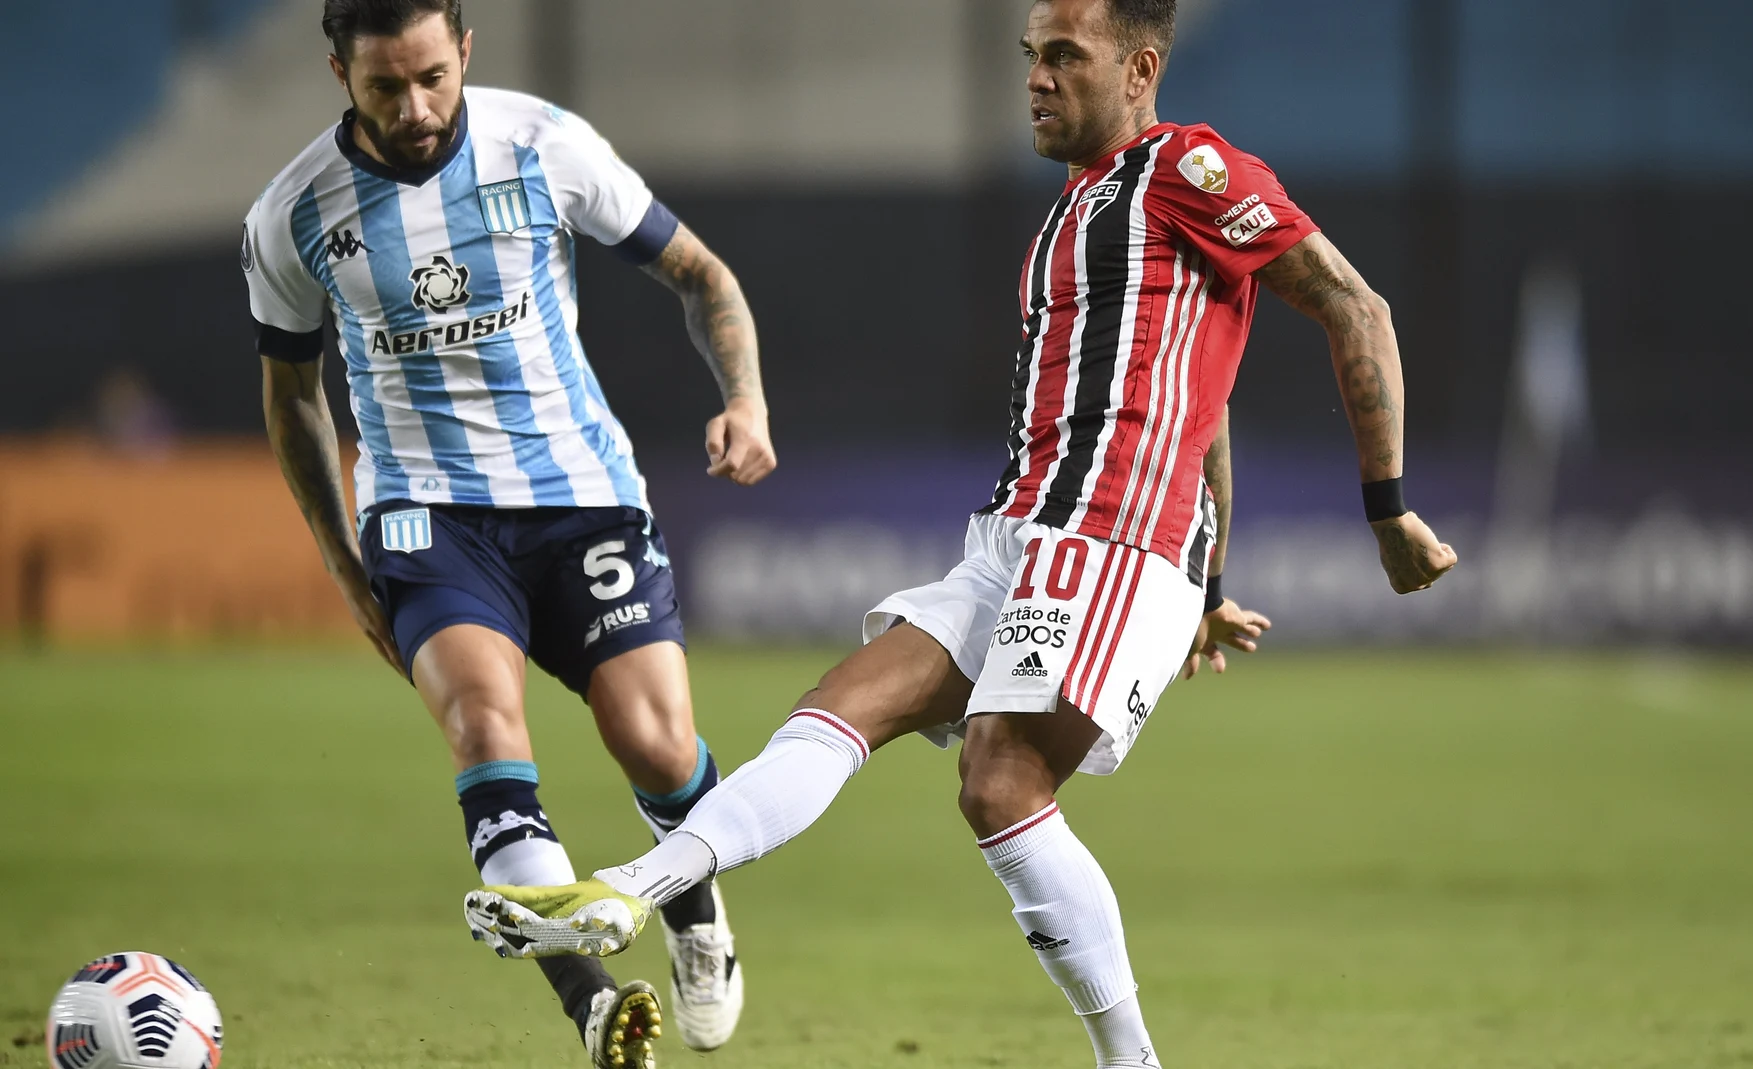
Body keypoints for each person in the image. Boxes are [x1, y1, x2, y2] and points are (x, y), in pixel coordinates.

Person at [465, 0, 1458, 1065]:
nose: (1035, 76)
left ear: (1141, 68)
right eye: (1030, 55)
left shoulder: (1189, 170)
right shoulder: (1073, 212)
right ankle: (626, 892)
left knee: (998, 779)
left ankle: (1133, 1061)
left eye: (1064, 57)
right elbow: (1201, 398)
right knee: (838, 706)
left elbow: (1357, 307)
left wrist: (1385, 504)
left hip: (1108, 540)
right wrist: (1214, 584)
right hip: (1018, 538)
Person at [245, 2, 770, 1065]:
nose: (416, 107)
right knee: (488, 733)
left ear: (466, 52)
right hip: (425, 514)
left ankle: (697, 919)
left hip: (578, 492)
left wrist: (745, 399)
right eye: (385, 86)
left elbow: (702, 274)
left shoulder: (544, 145)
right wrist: (349, 570)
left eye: (432, 77)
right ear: (338, 70)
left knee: (659, 745)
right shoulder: (291, 216)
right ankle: (589, 1004)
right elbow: (292, 396)